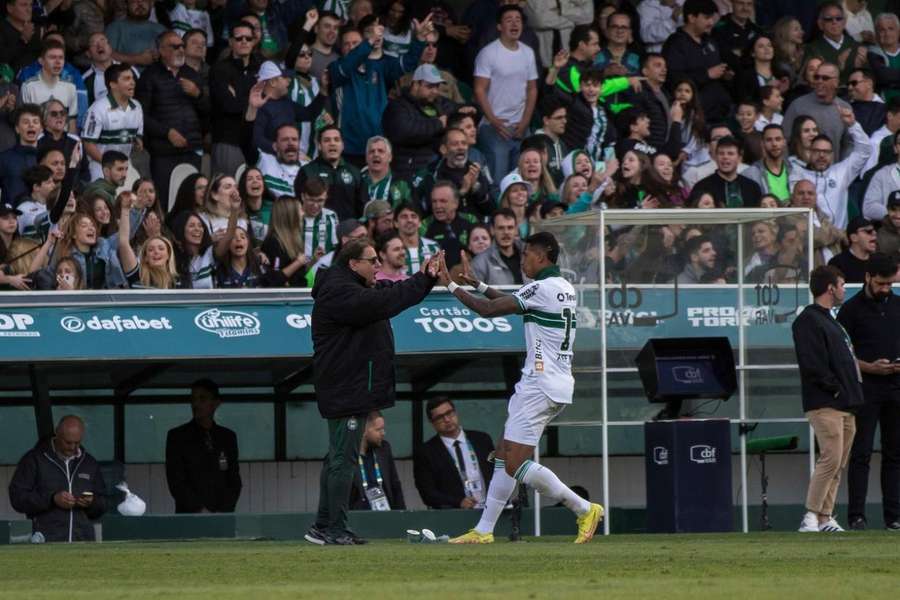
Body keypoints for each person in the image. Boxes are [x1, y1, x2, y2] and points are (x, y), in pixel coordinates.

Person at [436, 232, 603, 544]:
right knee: (503, 454)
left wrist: (450, 284)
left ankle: (583, 509)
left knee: (513, 463)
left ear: (541, 257)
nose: (522, 259)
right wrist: (479, 284)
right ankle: (483, 531)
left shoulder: (541, 288)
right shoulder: (562, 287)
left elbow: (489, 310)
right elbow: (513, 303)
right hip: (551, 382)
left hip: (539, 385)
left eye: (526, 254)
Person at [305, 239, 440, 545]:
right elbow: (385, 303)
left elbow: (391, 294)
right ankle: (334, 529)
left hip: (348, 388)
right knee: (343, 460)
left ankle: (323, 525)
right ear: (353, 264)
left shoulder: (351, 287)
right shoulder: (341, 292)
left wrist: (425, 278)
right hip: (346, 389)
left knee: (338, 458)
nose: (379, 266)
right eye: (372, 261)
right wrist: (424, 279)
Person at [792, 265, 862, 533]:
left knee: (839, 462)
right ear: (830, 288)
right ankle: (810, 515)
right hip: (826, 402)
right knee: (830, 458)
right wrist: (834, 389)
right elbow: (812, 363)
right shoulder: (808, 320)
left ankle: (824, 516)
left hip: (846, 404)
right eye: (842, 284)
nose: (844, 289)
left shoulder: (831, 320)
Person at [836, 252, 900, 531]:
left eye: (890, 284)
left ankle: (894, 516)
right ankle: (857, 516)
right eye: (881, 283)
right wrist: (870, 368)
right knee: (860, 453)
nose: (886, 289)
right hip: (865, 390)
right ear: (867, 277)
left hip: (896, 389)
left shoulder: (898, 305)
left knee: (895, 454)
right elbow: (842, 355)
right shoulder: (850, 310)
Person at [327, 14, 429, 164]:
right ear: (340, 48)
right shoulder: (337, 68)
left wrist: (419, 39)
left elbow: (406, 64)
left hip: (378, 146)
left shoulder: (379, 66)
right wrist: (367, 43)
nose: (351, 47)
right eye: (346, 44)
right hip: (349, 148)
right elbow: (350, 63)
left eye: (355, 43)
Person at [135, 30, 208, 204]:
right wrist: (167, 132)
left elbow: (208, 111)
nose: (181, 50)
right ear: (161, 50)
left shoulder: (191, 74)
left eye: (182, 45)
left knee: (192, 201)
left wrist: (197, 94)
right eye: (175, 47)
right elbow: (140, 115)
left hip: (192, 150)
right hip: (163, 152)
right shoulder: (149, 76)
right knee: (165, 200)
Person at [8, 415, 107, 543]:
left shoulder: (89, 463)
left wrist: (92, 502)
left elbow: (104, 503)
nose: (72, 447)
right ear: (57, 433)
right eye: (68, 442)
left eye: (77, 442)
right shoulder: (34, 459)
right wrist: (52, 499)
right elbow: (17, 498)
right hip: (44, 542)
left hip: (82, 542)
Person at [473, 5, 539, 181]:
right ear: (499, 27)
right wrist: (494, 120)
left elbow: (532, 89)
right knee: (498, 180)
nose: (514, 23)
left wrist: (525, 122)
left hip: (521, 128)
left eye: (518, 20)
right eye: (509, 20)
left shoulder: (528, 52)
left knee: (523, 181)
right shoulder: (488, 53)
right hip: (494, 128)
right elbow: (479, 89)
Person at [165, 379, 242, 513]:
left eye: (202, 399)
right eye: (193, 399)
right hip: (190, 518)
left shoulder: (227, 437)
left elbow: (234, 479)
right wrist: (200, 510)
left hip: (223, 517)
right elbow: (176, 482)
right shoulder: (178, 437)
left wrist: (223, 511)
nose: (196, 404)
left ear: (216, 403)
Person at [414, 396, 495, 510]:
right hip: (453, 515)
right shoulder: (426, 452)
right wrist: (458, 502)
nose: (447, 419)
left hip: (489, 510)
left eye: (449, 413)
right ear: (432, 423)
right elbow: (427, 493)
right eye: (440, 417)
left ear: (456, 412)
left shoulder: (482, 440)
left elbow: (497, 472)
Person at [797, 108, 872, 230]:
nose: (821, 155)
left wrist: (852, 125)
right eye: (817, 151)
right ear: (810, 153)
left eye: (826, 152)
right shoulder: (798, 175)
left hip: (840, 241)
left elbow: (864, 151)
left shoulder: (841, 172)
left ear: (832, 155)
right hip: (812, 239)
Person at [662, 0, 733, 123]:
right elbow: (673, 78)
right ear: (691, 17)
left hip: (720, 113)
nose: (711, 22)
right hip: (695, 118)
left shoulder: (710, 41)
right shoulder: (675, 43)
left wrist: (724, 75)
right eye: (706, 18)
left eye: (712, 18)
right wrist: (706, 74)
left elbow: (716, 70)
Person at [382, 63, 455, 181]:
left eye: (437, 86)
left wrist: (467, 109)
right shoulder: (397, 107)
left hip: (434, 168)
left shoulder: (438, 102)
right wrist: (438, 124)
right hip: (408, 171)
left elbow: (455, 108)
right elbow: (405, 131)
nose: (435, 91)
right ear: (415, 84)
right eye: (430, 86)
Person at [209, 22, 262, 178]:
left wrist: (238, 94)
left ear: (254, 41)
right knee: (226, 190)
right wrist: (253, 99)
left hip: (256, 142)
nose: (244, 41)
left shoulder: (260, 68)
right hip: (228, 140)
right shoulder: (219, 69)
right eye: (239, 38)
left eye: (248, 38)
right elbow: (229, 105)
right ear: (231, 42)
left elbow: (267, 102)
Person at [412, 128, 493, 220]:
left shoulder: (475, 171)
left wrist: (476, 188)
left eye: (464, 143)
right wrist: (462, 191)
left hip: (474, 229)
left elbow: (490, 209)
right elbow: (430, 210)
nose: (461, 147)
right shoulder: (431, 174)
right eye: (455, 144)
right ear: (443, 150)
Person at [81, 63, 142, 182]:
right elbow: (88, 144)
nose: (132, 82)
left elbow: (137, 136)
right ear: (113, 85)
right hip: (101, 168)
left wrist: (138, 141)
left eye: (132, 78)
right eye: (126, 79)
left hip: (126, 168)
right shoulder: (97, 109)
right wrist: (109, 164)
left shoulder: (137, 107)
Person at [783, 62, 852, 163]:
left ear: (836, 82)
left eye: (825, 78)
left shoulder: (845, 108)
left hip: (832, 174)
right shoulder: (797, 106)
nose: (819, 81)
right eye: (816, 77)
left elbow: (849, 143)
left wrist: (842, 169)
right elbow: (784, 140)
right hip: (802, 173)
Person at [295, 126, 362, 221]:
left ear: (342, 145)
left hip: (348, 231)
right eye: (327, 140)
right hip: (317, 229)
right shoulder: (307, 171)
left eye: (336, 140)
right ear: (319, 145)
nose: (332, 143)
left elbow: (362, 207)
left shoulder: (355, 172)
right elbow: (298, 204)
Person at [348, 411, 406, 510]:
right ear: (363, 430)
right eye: (378, 429)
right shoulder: (347, 456)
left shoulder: (384, 449)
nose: (383, 433)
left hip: (386, 515)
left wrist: (402, 516)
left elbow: (395, 485)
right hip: (359, 518)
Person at [20, 39, 78, 132]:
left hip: (63, 144)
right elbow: (25, 123)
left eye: (61, 57)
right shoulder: (29, 87)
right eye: (52, 57)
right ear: (41, 61)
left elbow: (72, 122)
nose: (58, 61)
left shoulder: (70, 87)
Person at [803, 3, 866, 85]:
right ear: (820, 24)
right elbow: (813, 80)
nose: (834, 22)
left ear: (844, 22)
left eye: (838, 18)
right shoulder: (811, 48)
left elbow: (868, 79)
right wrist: (838, 66)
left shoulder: (857, 46)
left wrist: (859, 68)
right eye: (829, 19)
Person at [690, 137, 762, 208]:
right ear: (715, 157)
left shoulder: (752, 187)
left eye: (730, 154)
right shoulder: (701, 187)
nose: (725, 157)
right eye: (721, 153)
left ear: (739, 158)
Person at [421, 181, 478, 269]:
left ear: (455, 203)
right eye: (434, 201)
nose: (437, 206)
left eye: (443, 201)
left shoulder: (471, 220)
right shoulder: (424, 225)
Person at [743, 125, 802, 204]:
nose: (774, 144)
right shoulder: (751, 174)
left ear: (784, 142)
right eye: (769, 140)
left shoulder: (796, 170)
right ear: (762, 143)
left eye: (778, 139)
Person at [105, 0, 167, 69]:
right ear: (126, 5)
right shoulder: (115, 27)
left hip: (158, 77)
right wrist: (137, 59)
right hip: (124, 77)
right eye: (134, 1)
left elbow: (172, 54)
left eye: (144, 1)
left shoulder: (161, 29)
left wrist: (160, 55)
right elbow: (105, 55)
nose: (140, 3)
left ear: (151, 4)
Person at [0, 104, 42, 204]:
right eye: (25, 122)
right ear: (17, 129)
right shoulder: (4, 159)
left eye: (35, 122)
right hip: (12, 216)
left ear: (41, 129)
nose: (31, 125)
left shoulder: (48, 157)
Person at [471, 208, 524, 285]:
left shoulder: (530, 255)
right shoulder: (480, 262)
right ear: (492, 230)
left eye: (510, 228)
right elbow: (475, 295)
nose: (506, 232)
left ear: (516, 229)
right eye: (501, 228)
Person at [360, 136, 411, 208]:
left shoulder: (401, 184)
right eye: (372, 151)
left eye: (380, 151)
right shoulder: (358, 180)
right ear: (366, 158)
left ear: (390, 157)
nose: (376, 154)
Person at [256, 124, 304, 198]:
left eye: (294, 139)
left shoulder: (309, 168)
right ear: (275, 146)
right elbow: (246, 145)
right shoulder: (265, 160)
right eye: (285, 139)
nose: (290, 143)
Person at [393, 202, 439, 276]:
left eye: (413, 216)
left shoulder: (433, 247)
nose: (409, 220)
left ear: (420, 222)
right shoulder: (390, 249)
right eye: (404, 217)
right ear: (395, 223)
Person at [828, 217, 878, 284]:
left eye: (874, 231)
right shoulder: (837, 264)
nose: (874, 233)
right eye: (868, 231)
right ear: (854, 237)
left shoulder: (879, 262)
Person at [863, 131, 900, 221]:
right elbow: (868, 207)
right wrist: (894, 213)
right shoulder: (882, 175)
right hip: (890, 231)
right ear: (895, 148)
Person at [849, 69, 886, 136]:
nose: (850, 87)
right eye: (848, 84)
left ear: (869, 83)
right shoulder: (845, 105)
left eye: (854, 83)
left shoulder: (885, 111)